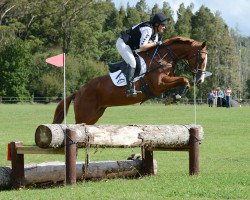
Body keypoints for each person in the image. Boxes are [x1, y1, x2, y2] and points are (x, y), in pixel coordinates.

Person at [116, 13, 168, 97]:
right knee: (132, 62)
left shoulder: (155, 34)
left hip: (132, 47)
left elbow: (152, 49)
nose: (164, 27)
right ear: (156, 24)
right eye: (163, 25)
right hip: (123, 43)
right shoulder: (148, 29)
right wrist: (156, 43)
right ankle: (129, 88)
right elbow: (143, 47)